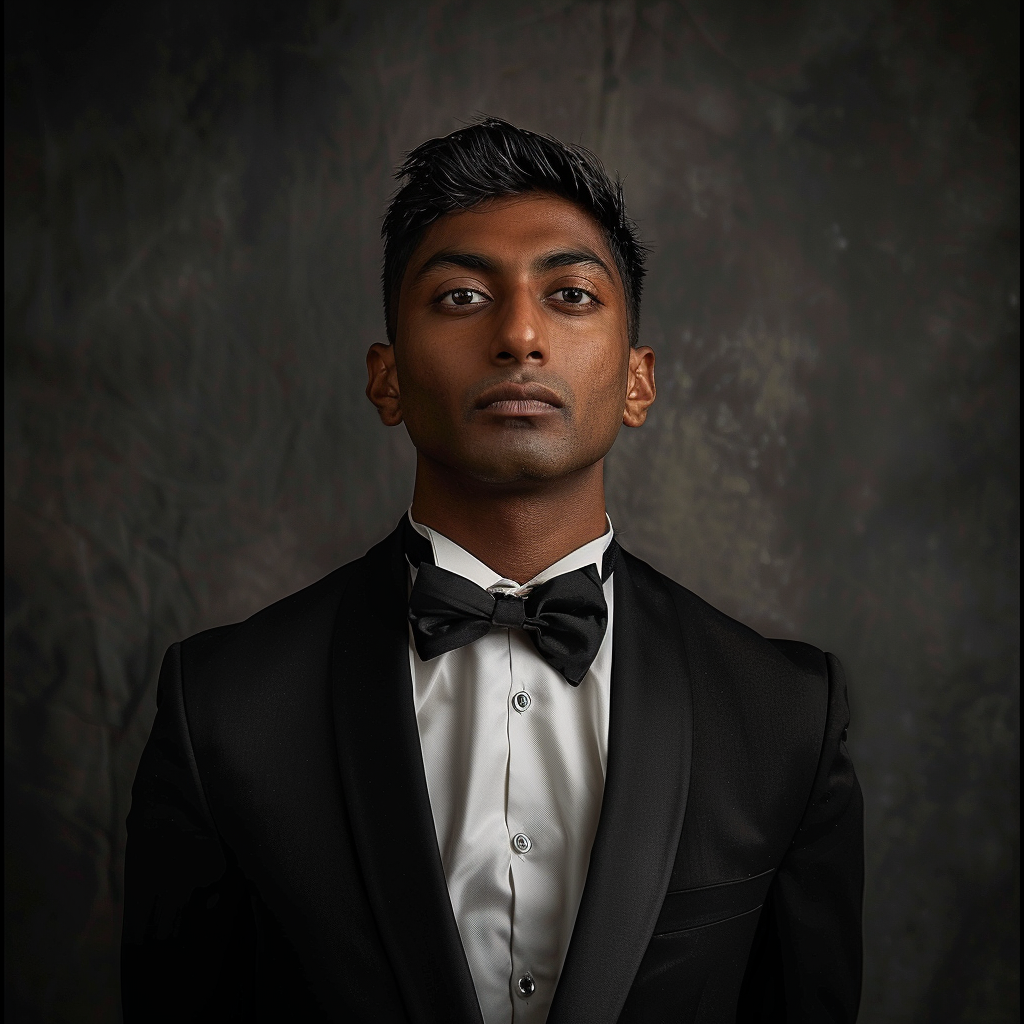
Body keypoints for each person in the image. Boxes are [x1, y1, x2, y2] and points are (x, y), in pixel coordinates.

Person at [122, 118, 864, 1024]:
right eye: (464, 297)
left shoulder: (785, 714)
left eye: (572, 295)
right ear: (385, 379)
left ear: (639, 381)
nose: (519, 334)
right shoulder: (224, 709)